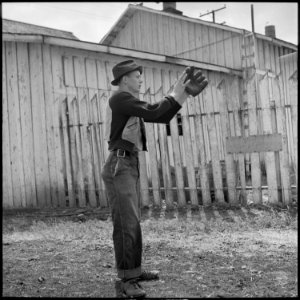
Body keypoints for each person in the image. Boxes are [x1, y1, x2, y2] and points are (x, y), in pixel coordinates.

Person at [101, 60, 207, 298]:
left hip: (128, 162)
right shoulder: (120, 98)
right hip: (120, 164)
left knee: (133, 221)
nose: (140, 79)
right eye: (137, 76)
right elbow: (154, 110)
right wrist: (177, 89)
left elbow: (161, 116)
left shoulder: (128, 101)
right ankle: (126, 280)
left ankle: (134, 272)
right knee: (125, 223)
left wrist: (183, 94)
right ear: (124, 79)